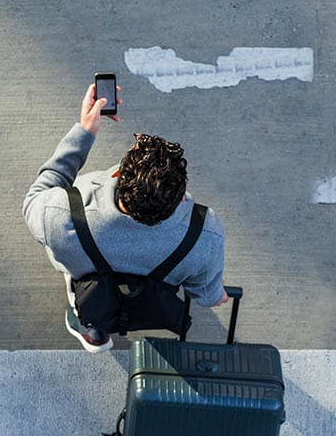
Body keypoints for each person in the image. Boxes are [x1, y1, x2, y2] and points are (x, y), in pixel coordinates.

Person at [22, 82, 228, 352]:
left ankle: (93, 332)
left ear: (117, 174)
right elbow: (208, 295)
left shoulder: (61, 215)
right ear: (180, 198)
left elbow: (36, 195)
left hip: (89, 278)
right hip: (150, 297)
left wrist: (84, 132)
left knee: (84, 295)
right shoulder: (204, 234)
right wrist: (216, 293)